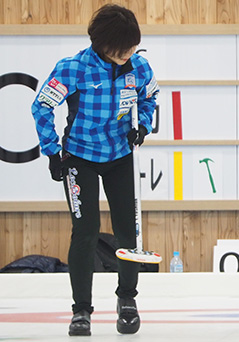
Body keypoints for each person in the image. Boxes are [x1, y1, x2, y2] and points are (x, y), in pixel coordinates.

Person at [31, 4, 159, 336]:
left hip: (120, 156)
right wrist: (51, 151)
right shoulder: (73, 68)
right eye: (123, 48)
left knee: (128, 231)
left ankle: (127, 299)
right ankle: (81, 310)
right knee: (85, 231)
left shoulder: (139, 67)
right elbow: (42, 105)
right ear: (101, 45)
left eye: (133, 46)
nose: (130, 53)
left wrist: (142, 127)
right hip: (80, 157)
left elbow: (150, 99)